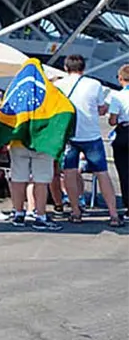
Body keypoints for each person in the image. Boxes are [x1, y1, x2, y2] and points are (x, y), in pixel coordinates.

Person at [58, 55, 122, 227]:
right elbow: (101, 109)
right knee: (102, 173)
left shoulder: (58, 85)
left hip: (69, 136)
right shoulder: (94, 84)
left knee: (69, 173)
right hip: (91, 135)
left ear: (66, 67)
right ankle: (114, 214)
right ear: (83, 68)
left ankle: (75, 212)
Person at [107, 64, 129, 219]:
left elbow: (113, 121)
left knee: (125, 172)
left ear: (121, 78)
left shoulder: (118, 97)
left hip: (124, 133)